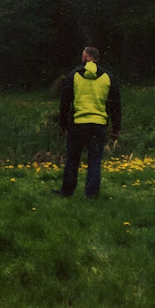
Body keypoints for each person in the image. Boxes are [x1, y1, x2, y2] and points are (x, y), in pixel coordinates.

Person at [55, 46, 121, 199]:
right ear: (97, 58)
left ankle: (67, 191)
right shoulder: (108, 77)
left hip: (78, 124)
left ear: (85, 57)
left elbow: (65, 102)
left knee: (72, 159)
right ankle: (91, 195)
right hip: (98, 125)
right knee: (95, 161)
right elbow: (115, 105)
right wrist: (116, 127)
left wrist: (63, 123)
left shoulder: (74, 75)